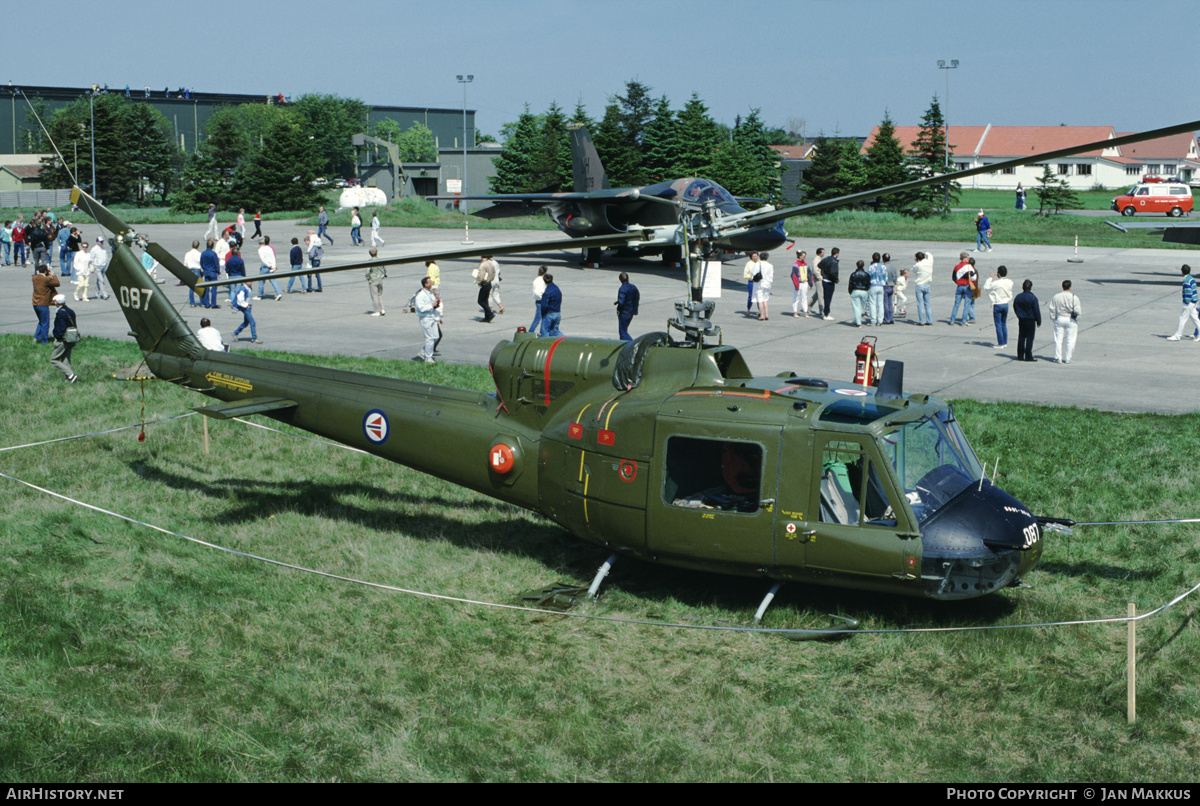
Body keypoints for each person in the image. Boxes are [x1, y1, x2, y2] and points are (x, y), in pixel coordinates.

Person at [1048, 280, 1082, 364]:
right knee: (1071, 339)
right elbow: (1078, 311)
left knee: (1058, 339)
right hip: (1070, 319)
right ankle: (1068, 358)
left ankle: (1058, 357)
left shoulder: (1056, 296)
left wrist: (1053, 318)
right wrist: (1077, 319)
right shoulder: (1074, 297)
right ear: (1070, 287)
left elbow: (1052, 308)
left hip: (1059, 318)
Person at [50, 295, 79, 382]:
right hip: (72, 337)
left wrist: (57, 337)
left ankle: (71, 375)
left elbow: (60, 328)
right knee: (66, 359)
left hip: (64, 339)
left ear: (56, 302)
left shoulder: (60, 313)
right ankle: (68, 379)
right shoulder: (70, 311)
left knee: (54, 359)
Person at [1167, 264, 1200, 341]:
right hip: (1194, 301)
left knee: (1182, 318)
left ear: (1182, 271)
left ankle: (1178, 335)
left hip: (1189, 302)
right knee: (1195, 319)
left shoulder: (1186, 280)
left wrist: (1186, 302)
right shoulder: (1191, 278)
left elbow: (1188, 292)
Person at [985, 265, 1014, 350]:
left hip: (998, 304)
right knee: (1003, 324)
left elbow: (986, 287)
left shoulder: (996, 283)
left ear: (999, 274)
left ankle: (1000, 343)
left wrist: (990, 278)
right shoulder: (1010, 282)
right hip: (1006, 304)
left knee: (998, 324)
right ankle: (1004, 342)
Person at [414, 276, 442, 363]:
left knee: (436, 337)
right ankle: (428, 357)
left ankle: (423, 352)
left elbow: (433, 303)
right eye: (430, 282)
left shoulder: (430, 293)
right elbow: (421, 308)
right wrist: (431, 305)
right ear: (425, 284)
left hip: (432, 317)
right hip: (425, 318)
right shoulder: (420, 295)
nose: (431, 284)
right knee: (429, 338)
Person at [1013, 280, 1041, 362]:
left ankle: (1020, 355)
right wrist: (1038, 321)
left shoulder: (1018, 297)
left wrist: (1019, 315)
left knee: (1021, 337)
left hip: (1022, 320)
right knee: (1029, 338)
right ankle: (1028, 355)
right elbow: (1036, 310)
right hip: (1030, 320)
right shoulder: (1033, 298)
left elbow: (1015, 306)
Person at [32, 265, 60, 344]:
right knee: (45, 323)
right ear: (46, 271)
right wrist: (53, 275)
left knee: (41, 321)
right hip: (43, 304)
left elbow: (40, 278)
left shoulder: (34, 278)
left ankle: (36, 338)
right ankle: (44, 341)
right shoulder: (46, 279)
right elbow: (57, 283)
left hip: (35, 303)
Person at [949, 252, 975, 326]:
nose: (969, 259)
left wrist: (958, 282)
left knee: (956, 304)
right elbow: (973, 277)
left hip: (959, 286)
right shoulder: (969, 266)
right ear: (964, 258)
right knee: (967, 304)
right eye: (967, 257)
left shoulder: (956, 266)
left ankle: (952, 320)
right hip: (967, 286)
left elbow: (953, 278)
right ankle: (963, 321)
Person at [256, 235, 282, 300]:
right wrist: (273, 266)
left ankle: (259, 295)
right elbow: (273, 258)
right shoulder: (269, 248)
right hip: (271, 266)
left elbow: (263, 259)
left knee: (261, 281)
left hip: (265, 266)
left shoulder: (260, 250)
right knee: (273, 280)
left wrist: (269, 265)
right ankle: (279, 292)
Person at [615, 272, 640, 340]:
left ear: (620, 280)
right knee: (624, 330)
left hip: (624, 313)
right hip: (631, 312)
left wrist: (619, 309)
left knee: (623, 332)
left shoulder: (622, 288)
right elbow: (636, 298)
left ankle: (631, 345)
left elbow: (621, 302)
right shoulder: (633, 287)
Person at [818, 247, 840, 321]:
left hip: (824, 280)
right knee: (828, 298)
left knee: (826, 297)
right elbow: (832, 273)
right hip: (829, 281)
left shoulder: (826, 259)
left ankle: (826, 312)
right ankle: (826, 314)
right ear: (836, 254)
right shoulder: (834, 262)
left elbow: (819, 265)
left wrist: (823, 272)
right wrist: (836, 279)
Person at [847, 260, 870, 327]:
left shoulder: (853, 274)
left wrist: (850, 291)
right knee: (860, 307)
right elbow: (868, 284)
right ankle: (857, 320)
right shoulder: (866, 274)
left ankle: (858, 322)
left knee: (856, 307)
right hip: (864, 291)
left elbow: (850, 284)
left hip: (855, 290)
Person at [867, 252, 886, 326]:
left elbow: (868, 276)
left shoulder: (871, 267)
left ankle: (873, 320)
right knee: (880, 304)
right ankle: (880, 320)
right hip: (881, 285)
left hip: (873, 285)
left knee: (872, 303)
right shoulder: (883, 267)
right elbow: (885, 277)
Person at [200, 239, 220, 308]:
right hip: (213, 272)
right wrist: (218, 271)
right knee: (214, 289)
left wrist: (205, 269)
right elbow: (216, 263)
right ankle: (213, 304)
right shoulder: (213, 254)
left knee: (207, 289)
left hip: (206, 272)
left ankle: (207, 304)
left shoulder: (203, 253)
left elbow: (201, 263)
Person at [476, 255, 497, 322]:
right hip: (489, 283)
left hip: (484, 284)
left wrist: (478, 282)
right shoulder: (490, 263)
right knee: (485, 300)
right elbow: (494, 273)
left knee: (480, 300)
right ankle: (487, 316)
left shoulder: (483, 265)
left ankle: (490, 313)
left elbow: (481, 275)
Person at [366, 247, 386, 316]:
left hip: (373, 280)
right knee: (379, 295)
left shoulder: (369, 262)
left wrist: (368, 278)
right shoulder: (380, 261)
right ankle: (382, 309)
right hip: (380, 279)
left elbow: (367, 272)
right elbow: (384, 269)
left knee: (374, 296)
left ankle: (377, 311)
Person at [184, 239, 203, 306]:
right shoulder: (199, 254)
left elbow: (185, 264)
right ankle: (202, 302)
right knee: (200, 287)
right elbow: (200, 263)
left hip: (191, 270)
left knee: (191, 287)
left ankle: (192, 302)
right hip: (197, 270)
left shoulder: (187, 254)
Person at [791, 251, 809, 317]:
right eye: (803, 256)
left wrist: (810, 282)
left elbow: (809, 273)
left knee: (804, 298)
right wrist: (796, 285)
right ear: (800, 256)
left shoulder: (806, 264)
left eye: (805, 256)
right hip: (798, 283)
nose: (805, 257)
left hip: (805, 283)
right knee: (796, 298)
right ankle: (795, 312)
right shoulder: (795, 265)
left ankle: (805, 311)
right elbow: (793, 276)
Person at [530, 265, 547, 334]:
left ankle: (532, 331)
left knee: (538, 318)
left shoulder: (535, 280)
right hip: (542, 300)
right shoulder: (543, 281)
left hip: (537, 300)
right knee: (542, 318)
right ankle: (531, 332)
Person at [808, 248, 825, 317]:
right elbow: (815, 270)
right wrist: (820, 277)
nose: (824, 254)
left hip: (819, 278)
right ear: (819, 253)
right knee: (821, 294)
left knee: (818, 294)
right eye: (823, 252)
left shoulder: (819, 259)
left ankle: (808, 305)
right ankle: (822, 309)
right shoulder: (816, 260)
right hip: (818, 279)